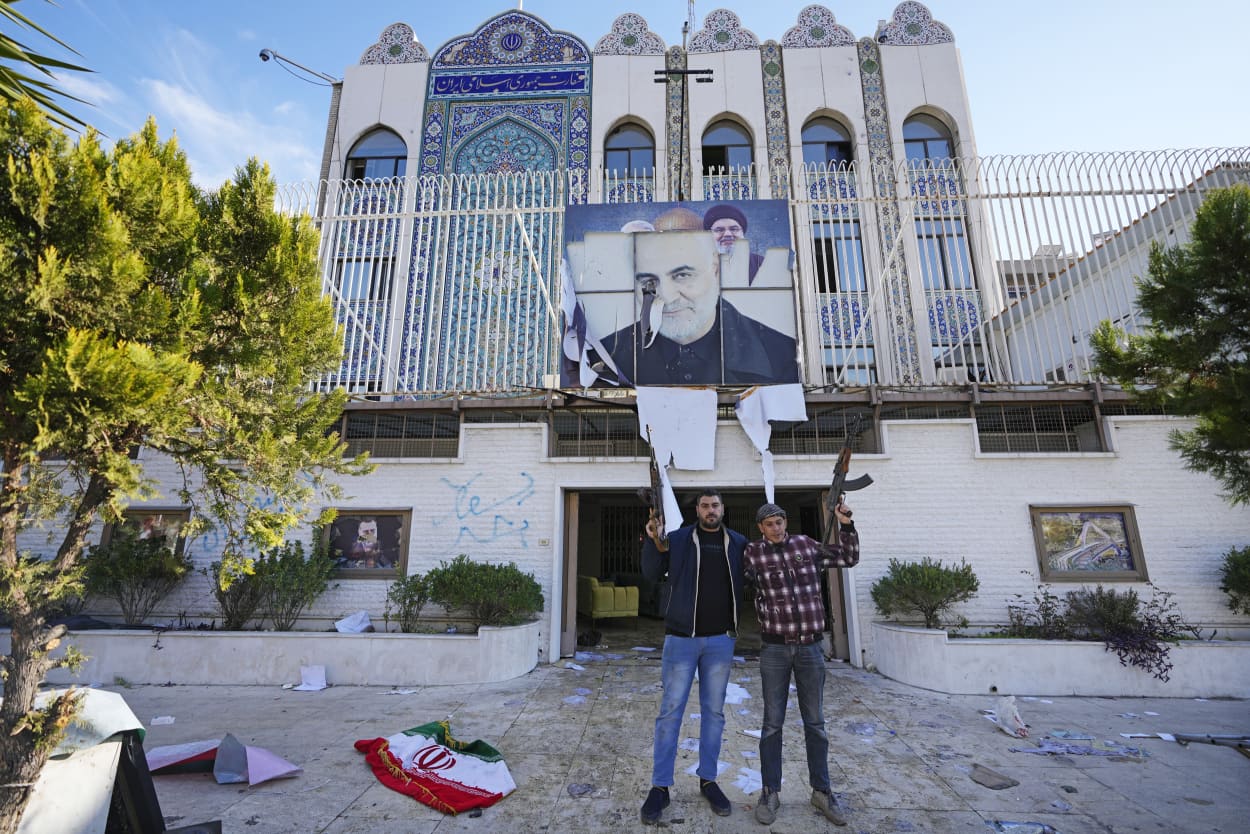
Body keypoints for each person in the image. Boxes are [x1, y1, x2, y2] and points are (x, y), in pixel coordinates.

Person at [742, 502, 861, 827]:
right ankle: (770, 791)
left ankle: (821, 791)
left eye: (780, 521)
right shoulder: (753, 553)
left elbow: (848, 557)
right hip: (775, 650)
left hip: (810, 648)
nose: (776, 528)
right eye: (769, 523)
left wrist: (845, 524)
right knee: (772, 724)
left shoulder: (807, 545)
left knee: (815, 723)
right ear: (761, 528)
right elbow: (735, 581)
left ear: (786, 522)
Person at [639, 489, 748, 825]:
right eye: (704, 505)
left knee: (714, 713)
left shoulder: (739, 543)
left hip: (720, 641)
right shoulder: (680, 538)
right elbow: (650, 572)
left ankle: (708, 780)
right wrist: (651, 540)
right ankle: (660, 787)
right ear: (697, 510)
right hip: (681, 640)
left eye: (715, 505)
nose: (710, 510)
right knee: (670, 713)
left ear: (722, 509)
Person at [601, 229, 799, 385]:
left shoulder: (783, 356)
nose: (667, 297)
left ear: (715, 269)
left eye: (682, 275)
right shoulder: (606, 357)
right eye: (648, 281)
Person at [704, 203, 764, 284]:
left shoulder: (762, 264)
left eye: (734, 229)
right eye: (719, 230)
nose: (727, 234)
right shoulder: (699, 266)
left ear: (742, 233)